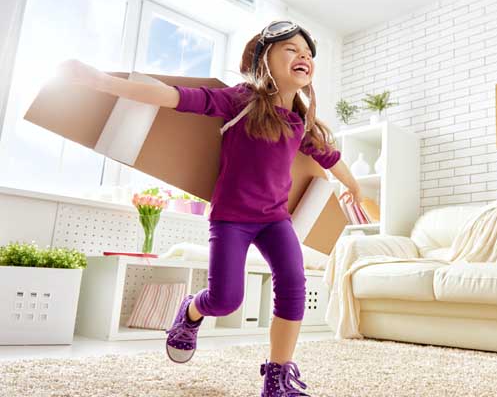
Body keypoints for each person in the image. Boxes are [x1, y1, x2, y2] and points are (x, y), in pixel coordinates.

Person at [57, 20, 363, 397]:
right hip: (232, 218)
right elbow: (175, 97)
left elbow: (330, 157)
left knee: (294, 285)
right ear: (265, 59)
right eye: (291, 49)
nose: (303, 56)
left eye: (307, 53)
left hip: (274, 219)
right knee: (225, 299)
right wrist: (102, 82)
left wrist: (353, 185)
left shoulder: (300, 122)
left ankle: (277, 376)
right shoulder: (241, 100)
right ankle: (190, 311)